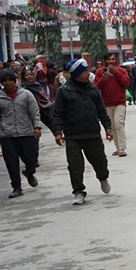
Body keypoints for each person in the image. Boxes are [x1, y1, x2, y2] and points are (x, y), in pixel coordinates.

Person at [51, 59, 113, 206]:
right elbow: (58, 113)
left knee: (100, 161)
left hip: (92, 133)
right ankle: (78, 191)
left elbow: (101, 110)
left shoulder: (92, 89)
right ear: (77, 74)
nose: (88, 73)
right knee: (75, 166)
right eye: (85, 71)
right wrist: (57, 131)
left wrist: (108, 127)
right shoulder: (64, 91)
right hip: (73, 135)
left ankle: (103, 177)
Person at [0, 70, 43, 199]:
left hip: (26, 132)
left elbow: (34, 112)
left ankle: (29, 172)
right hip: (7, 135)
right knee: (11, 162)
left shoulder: (26, 94)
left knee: (32, 159)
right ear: (1, 83)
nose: (7, 83)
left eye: (10, 80)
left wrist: (37, 127)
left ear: (15, 80)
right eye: (4, 81)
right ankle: (16, 187)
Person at [95, 54, 131, 157]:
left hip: (120, 102)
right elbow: (95, 87)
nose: (111, 61)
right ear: (105, 61)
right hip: (106, 103)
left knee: (119, 123)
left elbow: (127, 84)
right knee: (112, 126)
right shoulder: (99, 72)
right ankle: (117, 147)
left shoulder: (121, 70)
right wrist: (103, 79)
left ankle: (122, 148)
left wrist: (117, 72)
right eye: (108, 60)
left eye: (113, 59)